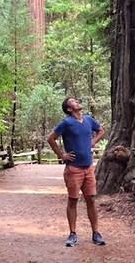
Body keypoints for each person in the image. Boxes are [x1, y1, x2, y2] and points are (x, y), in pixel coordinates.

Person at [46, 96, 106, 247]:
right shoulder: (66, 122)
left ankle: (95, 233)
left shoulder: (88, 119)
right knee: (73, 200)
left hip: (88, 168)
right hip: (74, 169)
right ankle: (72, 234)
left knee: (91, 199)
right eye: (73, 101)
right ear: (69, 109)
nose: (77, 101)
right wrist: (62, 155)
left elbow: (101, 131)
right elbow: (51, 139)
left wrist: (92, 142)